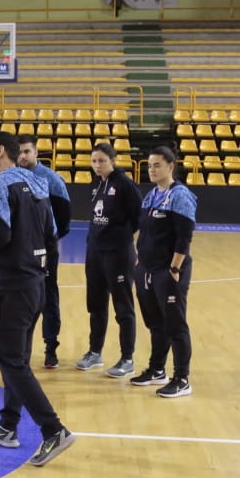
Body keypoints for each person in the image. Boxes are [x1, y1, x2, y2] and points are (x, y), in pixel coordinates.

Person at [0, 132, 75, 466]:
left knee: (10, 359)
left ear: (1, 152)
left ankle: (53, 429)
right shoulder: (38, 182)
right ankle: (7, 425)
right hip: (36, 285)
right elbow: (53, 233)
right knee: (16, 359)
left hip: (12, 285)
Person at [130, 146, 197, 399]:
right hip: (146, 269)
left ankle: (182, 377)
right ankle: (157, 369)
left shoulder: (180, 196)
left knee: (175, 325)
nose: (152, 169)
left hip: (168, 271)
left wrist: (175, 268)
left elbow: (184, 237)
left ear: (171, 166)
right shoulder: (150, 196)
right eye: (149, 165)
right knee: (155, 324)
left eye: (157, 165)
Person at [77, 143, 142, 378]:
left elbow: (139, 217)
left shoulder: (125, 184)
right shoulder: (96, 183)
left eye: (102, 161)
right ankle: (95, 352)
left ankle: (127, 358)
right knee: (96, 305)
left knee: (123, 308)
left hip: (118, 254)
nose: (97, 165)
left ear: (113, 160)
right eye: (94, 161)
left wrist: (123, 239)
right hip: (95, 253)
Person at [15, 135, 71, 368]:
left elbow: (64, 219)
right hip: (18, 250)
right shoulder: (10, 178)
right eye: (19, 152)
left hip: (45, 250)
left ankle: (51, 347)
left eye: (27, 151)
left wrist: (46, 240)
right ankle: (15, 344)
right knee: (15, 297)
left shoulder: (52, 180)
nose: (23, 156)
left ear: (37, 153)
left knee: (48, 297)